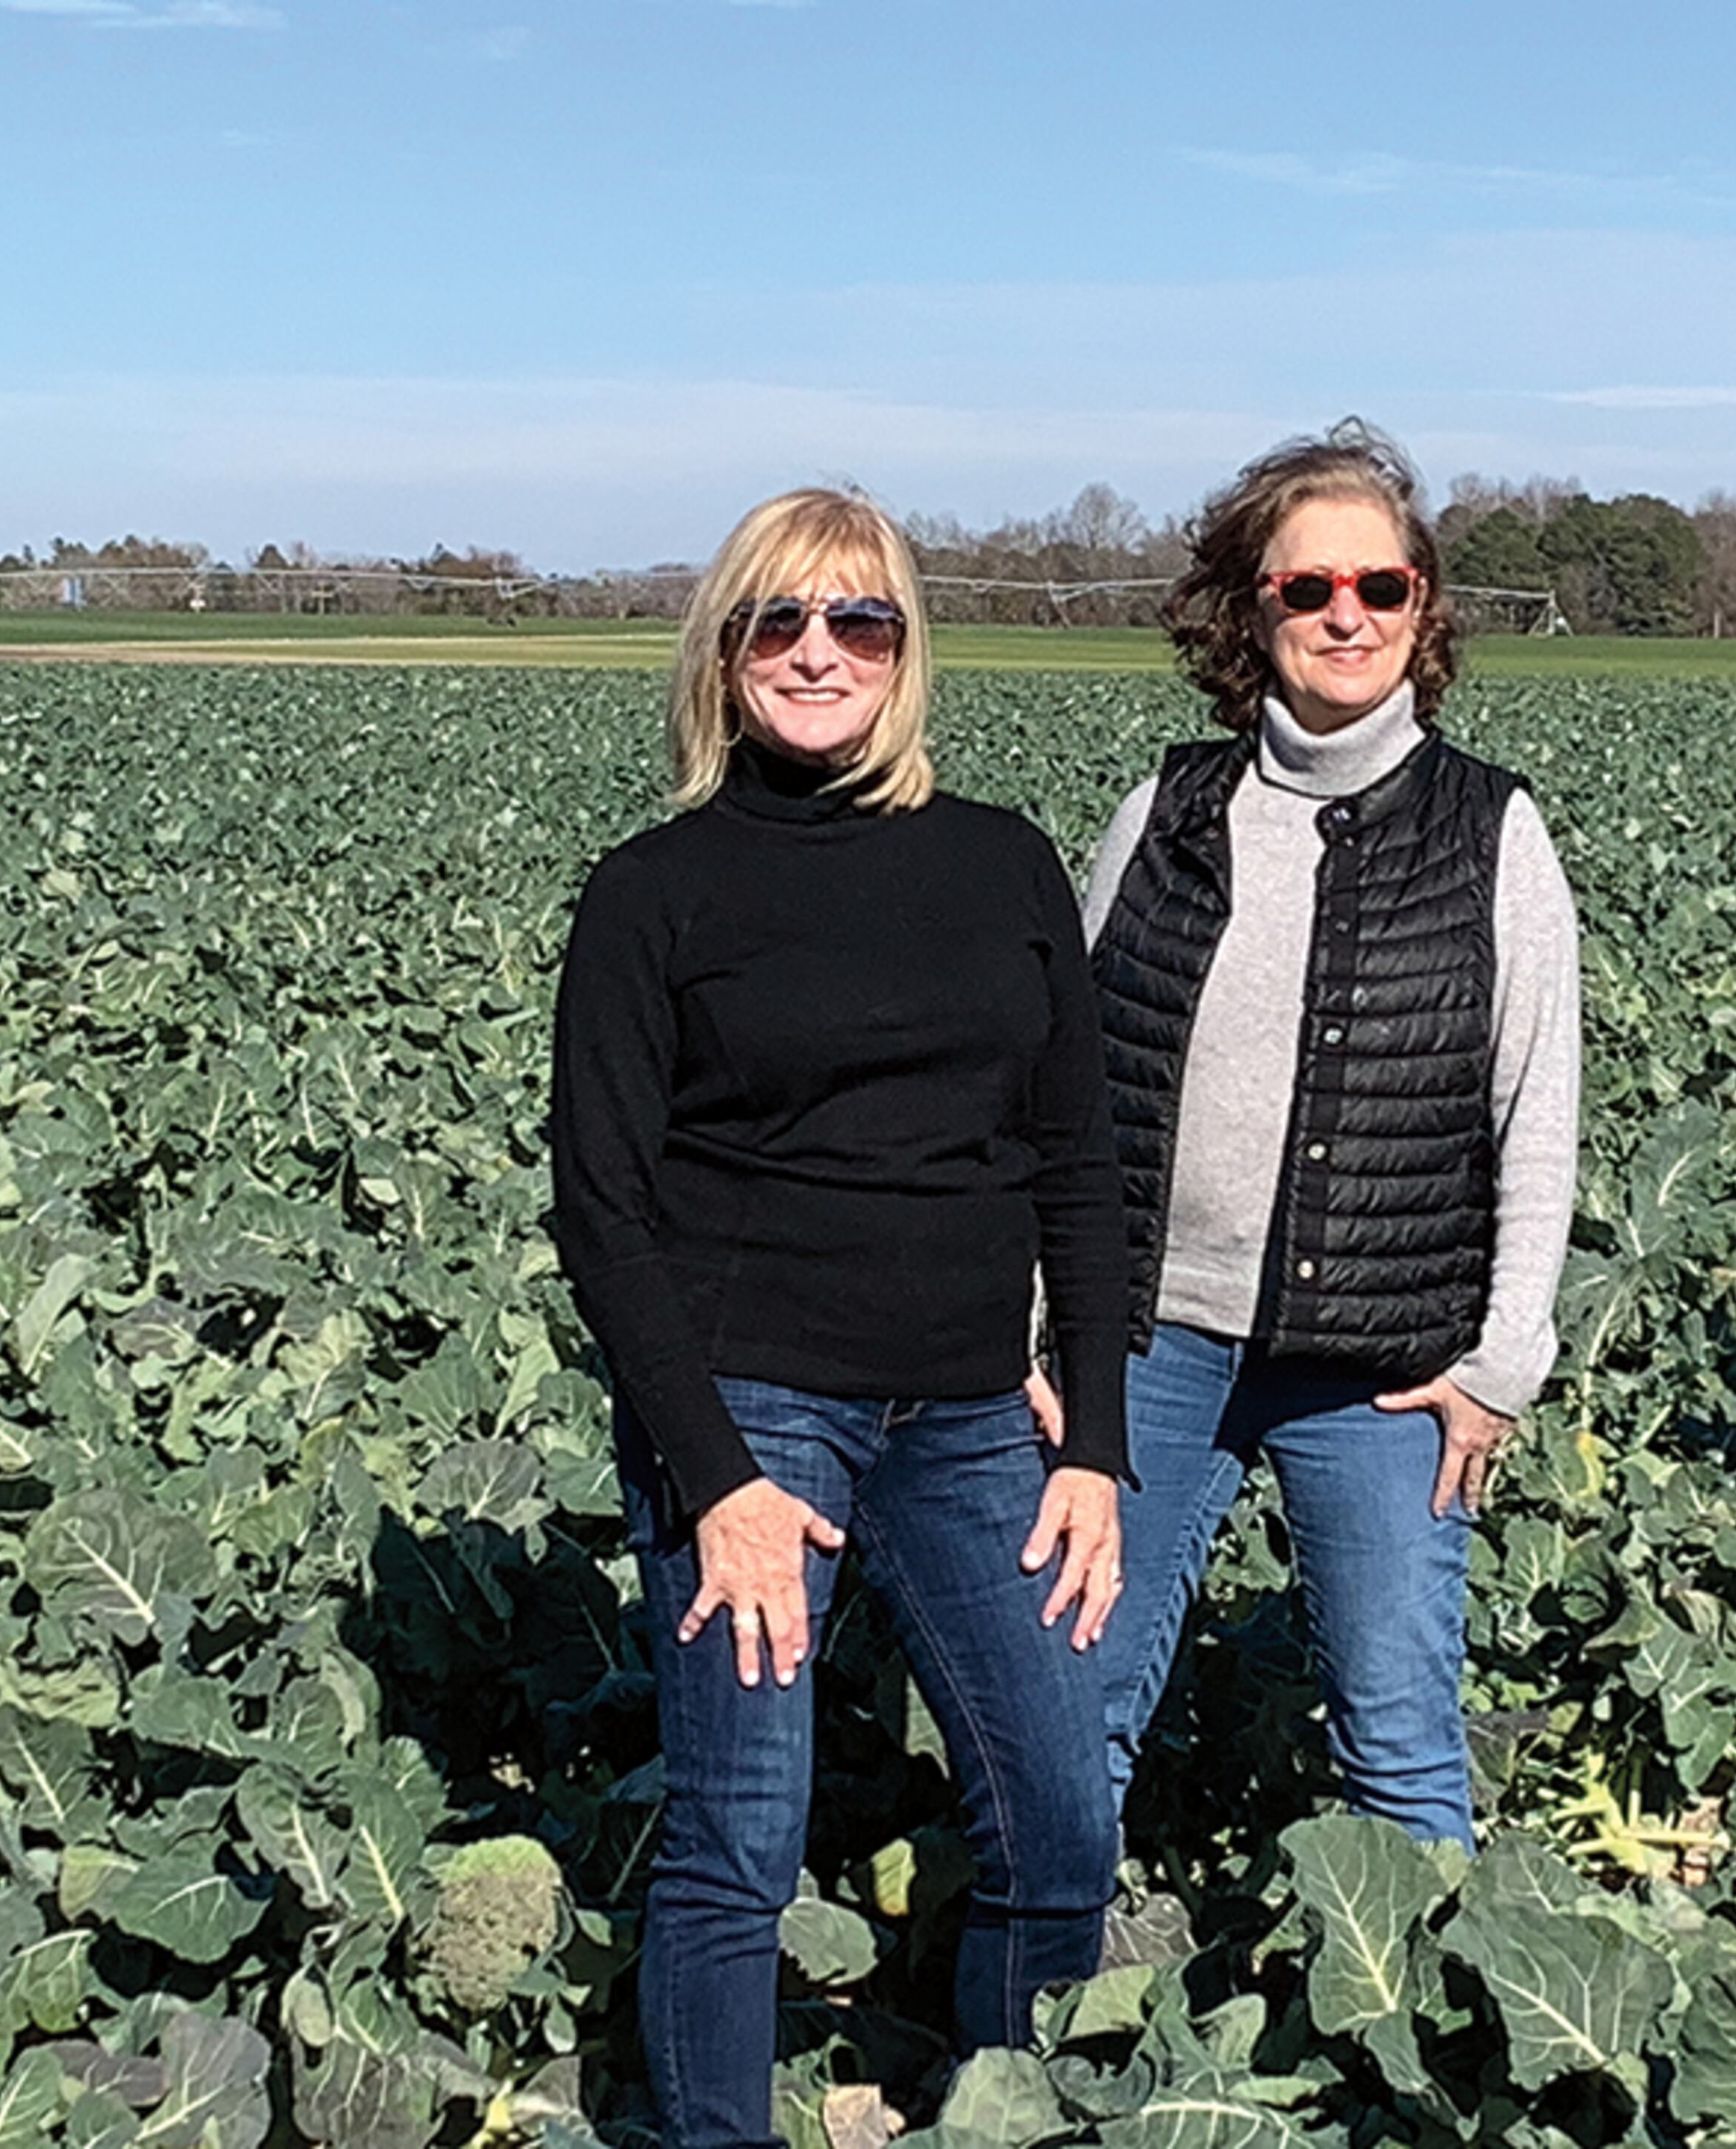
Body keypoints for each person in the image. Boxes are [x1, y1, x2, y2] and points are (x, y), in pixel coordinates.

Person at [551, 489, 1128, 2149]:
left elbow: (1079, 1163)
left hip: (970, 1416)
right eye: (778, 621)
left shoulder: (1004, 862)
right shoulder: (653, 891)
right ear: (723, 652)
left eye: (858, 619)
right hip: (752, 1410)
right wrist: (713, 1476)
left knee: (1060, 1821)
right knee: (741, 1836)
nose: (819, 651)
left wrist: (1093, 1436)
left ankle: (1012, 2111)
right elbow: (603, 1210)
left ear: (904, 647)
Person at [1082, 424, 1582, 1850]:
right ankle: (1046, 1980)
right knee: (1075, 1709)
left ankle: (1412, 1994)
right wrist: (1051, 1322)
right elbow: (1066, 1086)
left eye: (1380, 585)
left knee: (1401, 1737)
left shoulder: (1491, 831)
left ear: (1423, 607)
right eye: (1308, 589)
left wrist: (1503, 1360)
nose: (1345, 615)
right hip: (1153, 1343)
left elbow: (1537, 1111)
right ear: (1254, 615)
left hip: (1382, 1366)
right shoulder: (1164, 812)